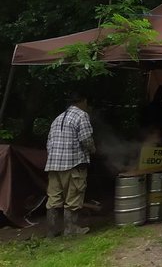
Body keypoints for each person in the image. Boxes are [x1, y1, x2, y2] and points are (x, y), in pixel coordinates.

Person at [45, 92, 95, 237]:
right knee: (73, 197)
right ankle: (71, 229)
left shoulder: (57, 118)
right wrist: (93, 149)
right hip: (73, 164)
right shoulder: (81, 115)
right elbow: (86, 139)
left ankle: (51, 232)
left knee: (53, 199)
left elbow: (49, 143)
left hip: (53, 165)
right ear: (83, 101)